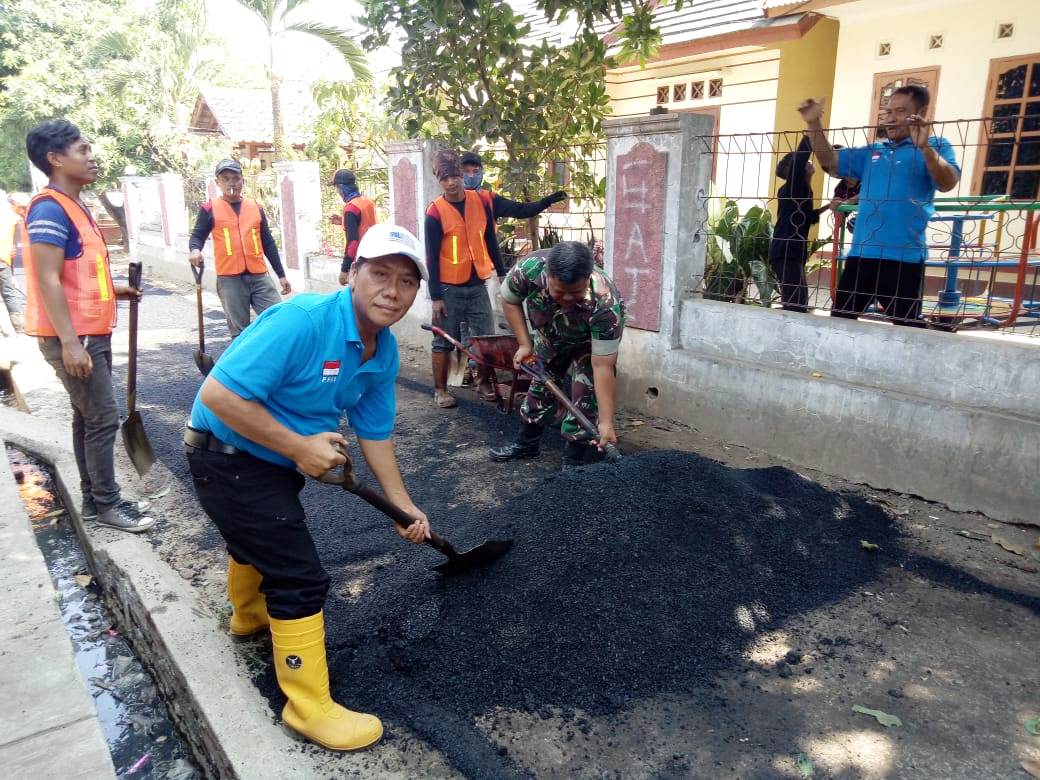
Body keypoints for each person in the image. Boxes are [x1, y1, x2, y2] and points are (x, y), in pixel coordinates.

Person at [184, 222, 433, 752]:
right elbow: (219, 395)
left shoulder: (381, 349)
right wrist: (299, 448)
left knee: (260, 535)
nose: (393, 290)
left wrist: (401, 505)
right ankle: (307, 706)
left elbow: (375, 432)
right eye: (380, 273)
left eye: (407, 281)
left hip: (269, 459)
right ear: (353, 274)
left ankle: (248, 618)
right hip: (224, 454)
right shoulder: (302, 321)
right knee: (298, 574)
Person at [23, 119, 155, 532]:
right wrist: (69, 343)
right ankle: (108, 504)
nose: (92, 157)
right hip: (74, 335)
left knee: (87, 418)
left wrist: (115, 290)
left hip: (87, 331)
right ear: (55, 158)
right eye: (82, 150)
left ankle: (94, 500)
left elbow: (74, 273)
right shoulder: (49, 208)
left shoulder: (75, 205)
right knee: (102, 418)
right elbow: (46, 278)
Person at [799, 86, 960, 326]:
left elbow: (947, 183)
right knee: (839, 325)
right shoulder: (874, 150)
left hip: (904, 259)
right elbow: (829, 162)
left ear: (922, 112)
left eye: (901, 111)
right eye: (889, 111)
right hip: (861, 256)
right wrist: (814, 124)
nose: (891, 117)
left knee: (908, 330)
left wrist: (924, 148)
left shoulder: (937, 146)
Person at [489, 241, 626, 470]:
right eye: (559, 292)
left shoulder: (606, 304)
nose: (567, 298)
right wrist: (524, 344)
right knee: (540, 385)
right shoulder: (530, 269)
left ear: (587, 278)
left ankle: (573, 460)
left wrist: (606, 422)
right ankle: (527, 444)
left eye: (576, 293)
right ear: (547, 276)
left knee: (585, 394)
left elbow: (604, 367)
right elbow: (509, 300)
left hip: (587, 344)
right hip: (551, 334)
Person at [426, 149, 506, 408]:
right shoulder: (435, 212)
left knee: (485, 338)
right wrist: (436, 297)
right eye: (444, 178)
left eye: (453, 176)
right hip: (449, 289)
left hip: (477, 285)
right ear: (439, 181)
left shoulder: (480, 202)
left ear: (461, 175)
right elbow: (431, 257)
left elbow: (490, 241)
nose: (450, 183)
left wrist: (502, 272)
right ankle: (440, 390)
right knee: (442, 341)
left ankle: (483, 383)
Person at [188, 159, 291, 338]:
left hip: (259, 276)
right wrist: (195, 251)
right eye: (226, 179)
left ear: (242, 180)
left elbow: (268, 243)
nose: (231, 183)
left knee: (278, 320)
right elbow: (197, 236)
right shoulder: (209, 208)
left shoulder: (256, 208)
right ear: (217, 182)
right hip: (230, 280)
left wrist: (281, 275)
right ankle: (246, 365)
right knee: (240, 332)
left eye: (235, 178)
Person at [768, 135, 831, 313]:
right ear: (795, 169)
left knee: (798, 301)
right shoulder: (793, 187)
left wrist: (829, 206)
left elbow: (808, 218)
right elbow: (800, 160)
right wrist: (811, 133)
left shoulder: (802, 190)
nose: (809, 162)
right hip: (786, 251)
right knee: (796, 303)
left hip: (792, 251)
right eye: (804, 162)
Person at [461, 151, 567, 222]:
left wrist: (547, 201)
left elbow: (521, 210)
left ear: (482, 173)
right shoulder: (447, 203)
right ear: (458, 173)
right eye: (466, 171)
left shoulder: (490, 200)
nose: (471, 175)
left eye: (475, 171)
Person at [331, 169, 377, 286]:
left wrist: (344, 269)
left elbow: (353, 243)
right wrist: (343, 220)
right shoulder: (367, 202)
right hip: (374, 256)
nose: (337, 192)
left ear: (342, 187)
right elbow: (365, 224)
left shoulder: (351, 208)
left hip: (360, 262)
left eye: (336, 187)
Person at [0, 189, 27, 333]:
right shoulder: (12, 217)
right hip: (3, 259)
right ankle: (19, 327)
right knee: (9, 293)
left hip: (4, 259)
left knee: (9, 292)